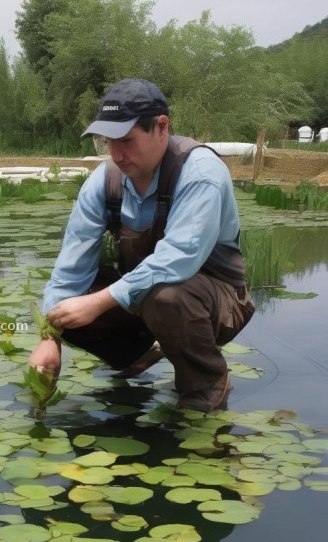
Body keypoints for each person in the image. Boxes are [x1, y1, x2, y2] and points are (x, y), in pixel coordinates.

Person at [28, 78, 255, 412]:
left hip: (218, 301)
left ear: (161, 127)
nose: (117, 154)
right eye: (108, 141)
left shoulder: (201, 172)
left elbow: (177, 260)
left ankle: (206, 383)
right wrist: (50, 338)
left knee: (166, 295)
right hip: (145, 296)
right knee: (66, 303)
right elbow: (69, 272)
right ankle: (140, 352)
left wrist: (98, 303)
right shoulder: (103, 183)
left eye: (127, 141)